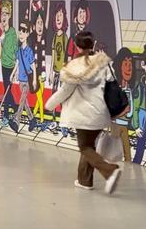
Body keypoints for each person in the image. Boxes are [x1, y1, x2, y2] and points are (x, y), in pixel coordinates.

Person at [46, 32, 121, 194]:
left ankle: (110, 171)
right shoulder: (103, 63)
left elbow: (65, 91)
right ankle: (84, 181)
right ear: (92, 44)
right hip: (101, 114)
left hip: (84, 115)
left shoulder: (75, 66)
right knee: (89, 145)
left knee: (85, 147)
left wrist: (50, 104)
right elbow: (112, 84)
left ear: (77, 46)